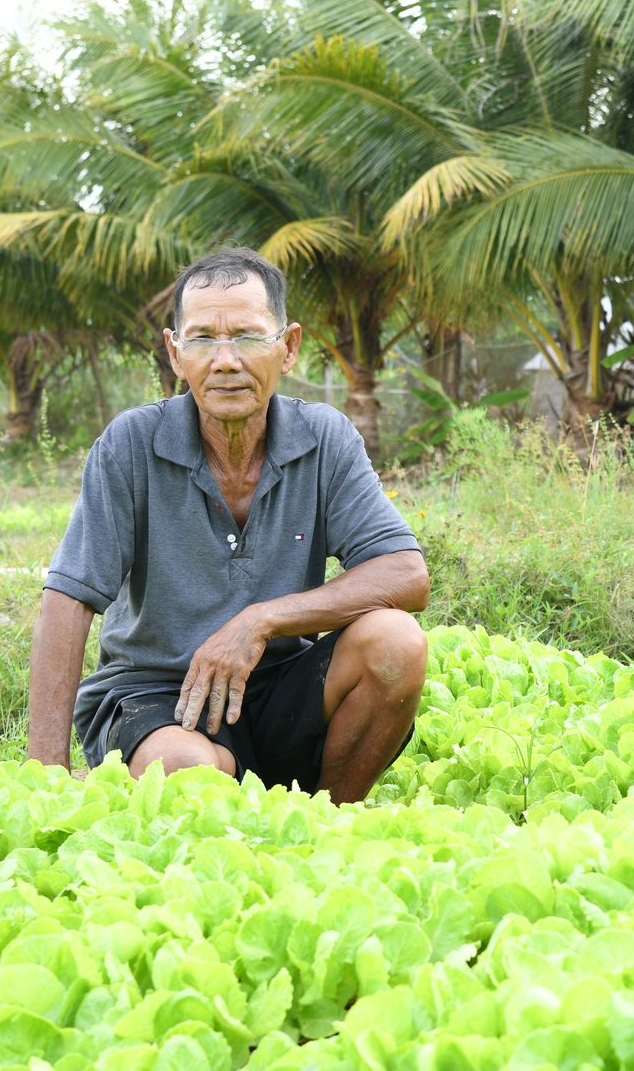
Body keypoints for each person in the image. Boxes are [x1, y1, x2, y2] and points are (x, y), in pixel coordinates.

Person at [27, 247, 430, 803]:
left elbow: (405, 574)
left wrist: (259, 622)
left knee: (397, 644)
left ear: (287, 347)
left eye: (246, 335)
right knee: (186, 769)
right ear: (175, 352)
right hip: (160, 697)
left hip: (280, 690)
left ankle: (331, 824)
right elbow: (67, 600)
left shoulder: (326, 438)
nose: (224, 360)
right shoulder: (131, 444)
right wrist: (44, 773)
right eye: (202, 338)